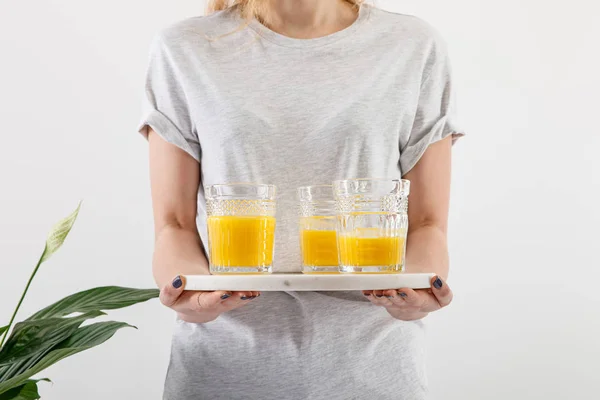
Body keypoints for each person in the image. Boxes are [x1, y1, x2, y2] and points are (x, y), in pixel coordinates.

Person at [138, 0, 463, 398]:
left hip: (373, 372)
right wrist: (193, 295)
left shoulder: (413, 45)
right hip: (223, 369)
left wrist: (413, 296)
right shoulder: (184, 48)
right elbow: (174, 225)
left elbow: (428, 223)